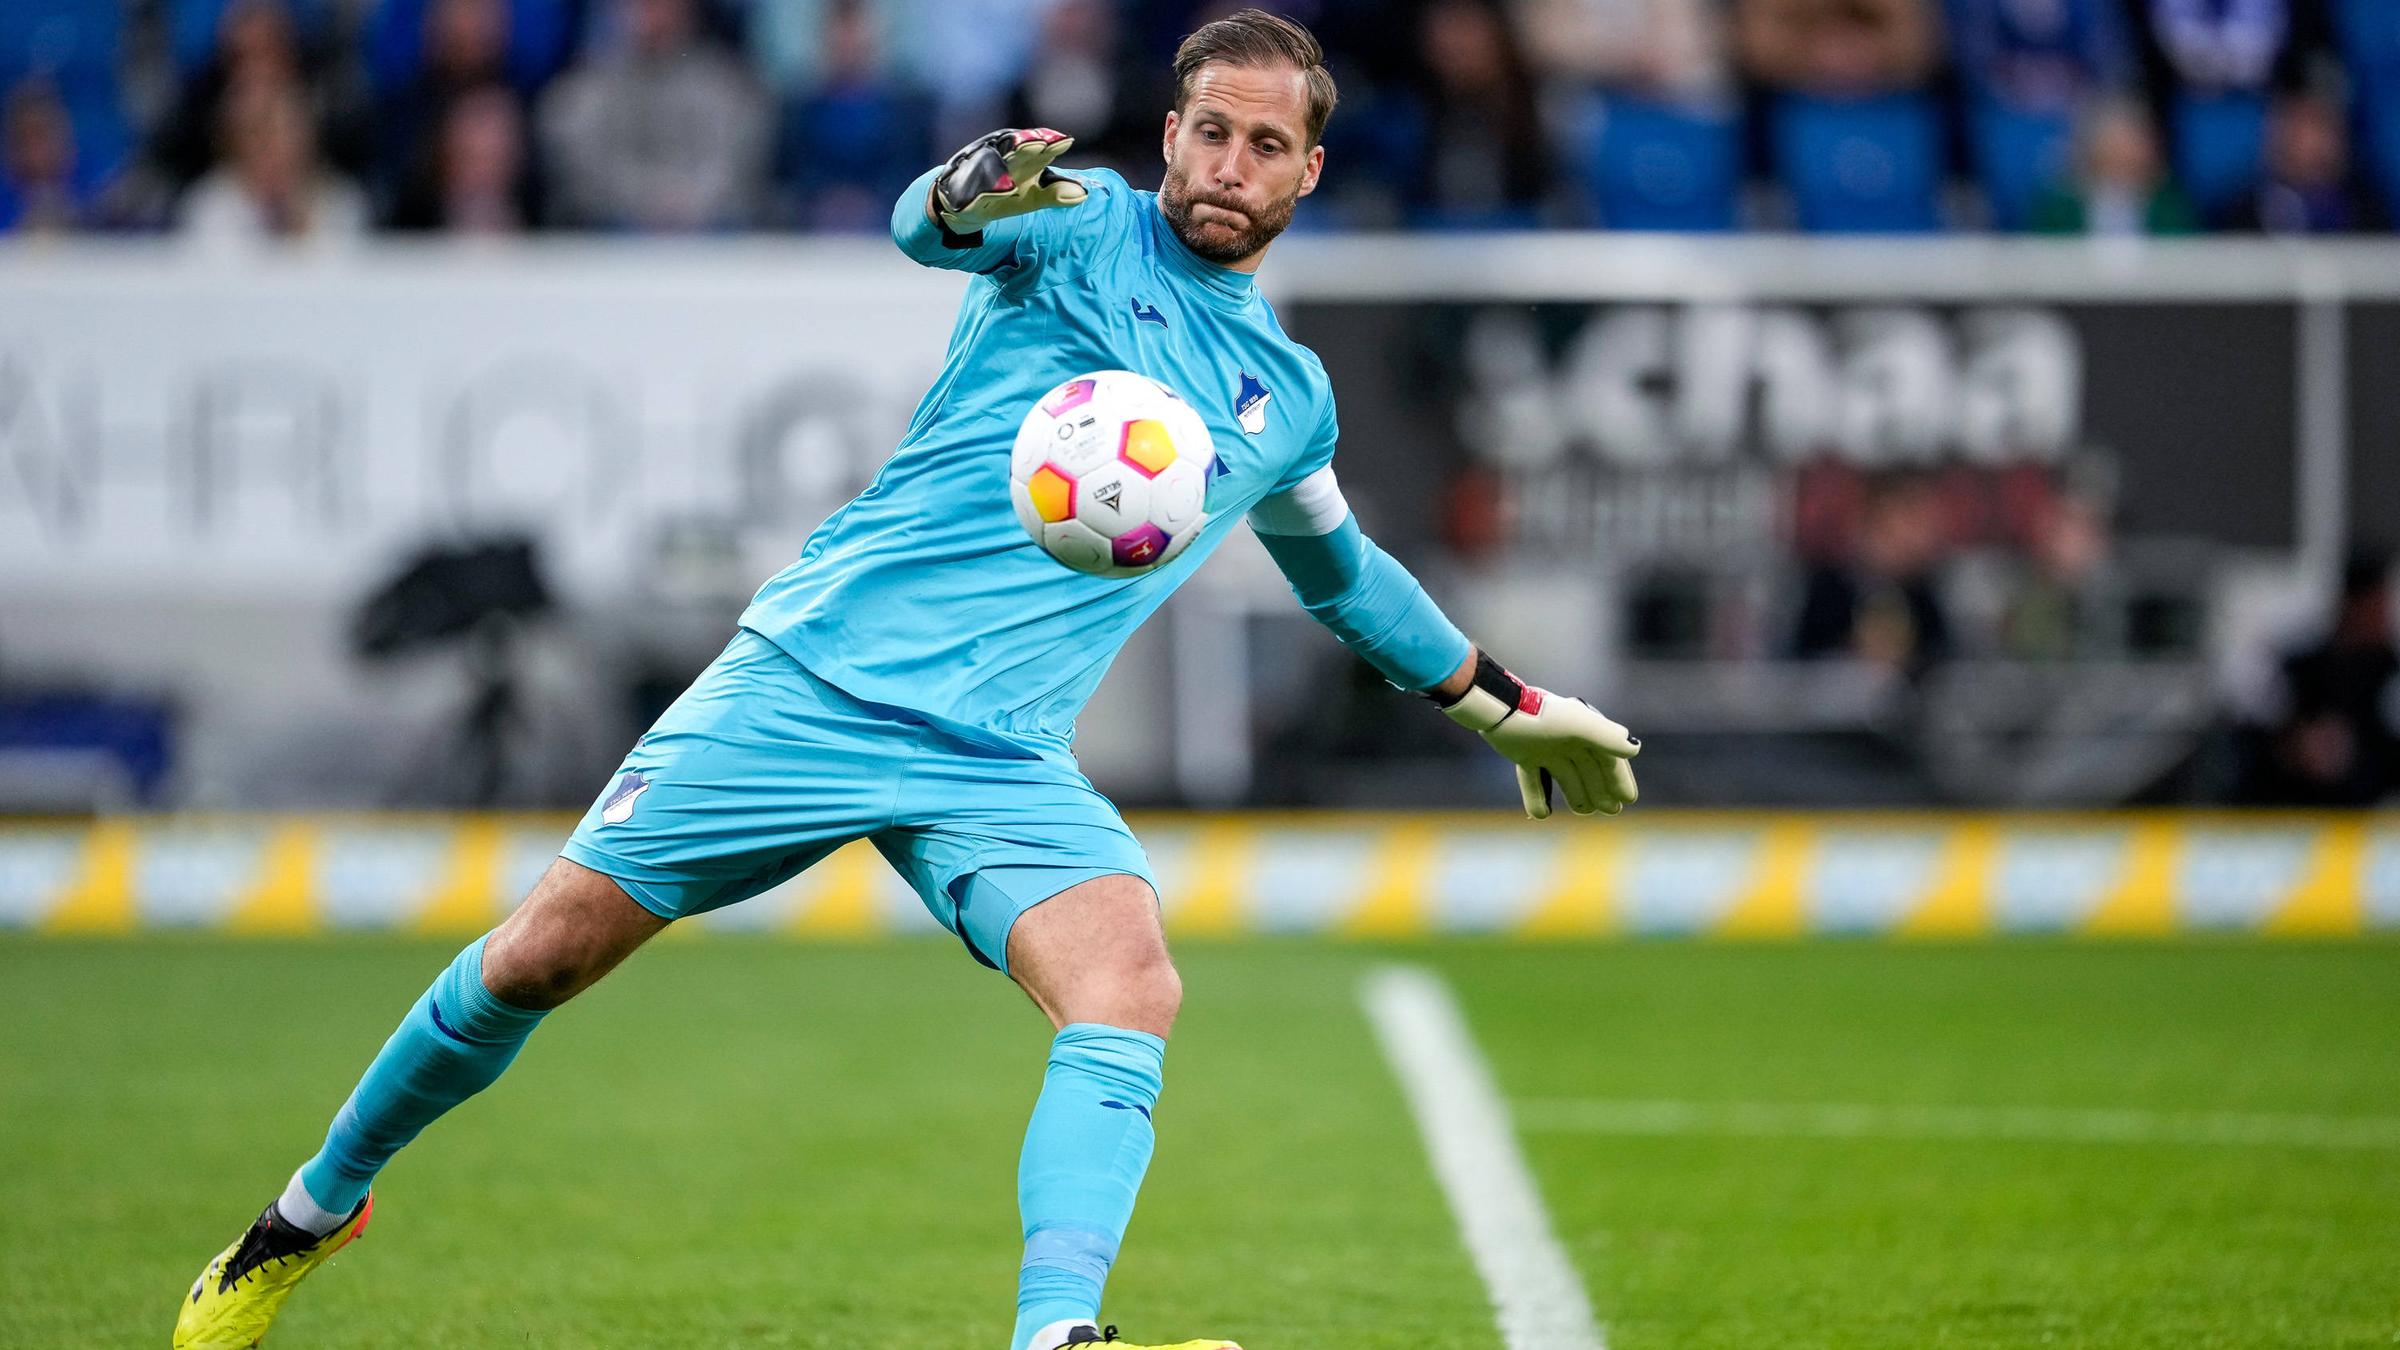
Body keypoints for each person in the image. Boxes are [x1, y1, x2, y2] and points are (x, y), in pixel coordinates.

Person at [170, 11, 1644, 1350]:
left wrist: (1507, 704)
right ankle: (309, 1212)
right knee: (544, 951)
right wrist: (965, 186)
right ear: (1173, 130)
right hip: (811, 679)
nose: (1229, 163)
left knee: (1129, 980)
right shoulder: (1076, 226)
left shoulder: (1286, 394)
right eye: (1210, 129)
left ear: (1307, 174)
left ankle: (1056, 1336)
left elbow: (1343, 576)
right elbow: (926, 226)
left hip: (998, 755)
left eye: (1268, 144)